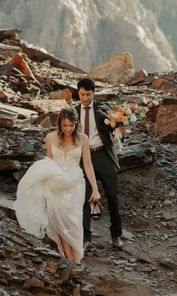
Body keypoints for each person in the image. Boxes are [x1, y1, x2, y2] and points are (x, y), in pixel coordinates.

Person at [14, 108, 101, 263]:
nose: (68, 129)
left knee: (73, 220)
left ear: (76, 124)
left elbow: (88, 165)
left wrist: (95, 189)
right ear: (59, 124)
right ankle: (69, 259)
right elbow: (49, 163)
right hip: (56, 182)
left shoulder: (83, 139)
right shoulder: (50, 138)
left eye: (71, 125)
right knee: (58, 219)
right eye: (64, 126)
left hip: (75, 184)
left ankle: (73, 258)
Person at [75, 78, 123, 250]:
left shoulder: (103, 110)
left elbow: (117, 129)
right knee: (85, 197)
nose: (85, 98)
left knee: (112, 195)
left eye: (88, 94)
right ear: (78, 93)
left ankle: (116, 234)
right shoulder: (73, 112)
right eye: (82, 94)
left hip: (103, 154)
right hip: (83, 157)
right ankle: (86, 238)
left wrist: (117, 128)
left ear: (94, 93)